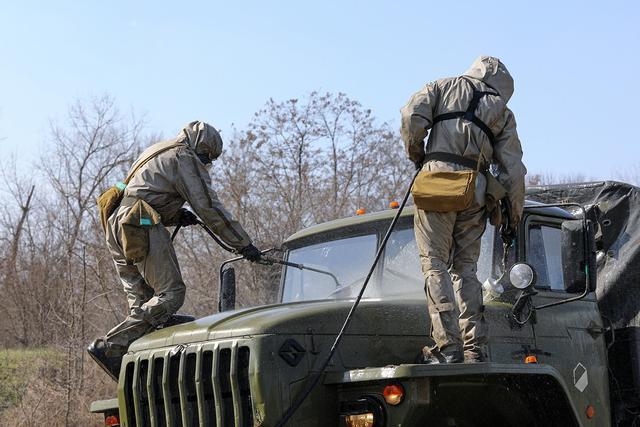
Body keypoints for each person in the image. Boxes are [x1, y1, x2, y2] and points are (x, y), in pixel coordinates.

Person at [88, 121, 262, 379]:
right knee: (172, 294)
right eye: (206, 158)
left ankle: (139, 367)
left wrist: (176, 214)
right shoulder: (184, 156)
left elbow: (145, 193)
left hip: (117, 223)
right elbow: (209, 207)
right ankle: (112, 346)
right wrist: (244, 244)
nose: (205, 164)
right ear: (200, 147)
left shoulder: (158, 150)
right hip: (140, 223)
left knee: (143, 304)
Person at [400, 56, 526, 363]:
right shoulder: (502, 111)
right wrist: (513, 214)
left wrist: (418, 154)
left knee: (435, 264)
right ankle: (473, 348)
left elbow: (411, 117)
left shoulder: (442, 86)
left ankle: (448, 347)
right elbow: (513, 170)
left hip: (437, 181)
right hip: (476, 189)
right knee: (466, 270)